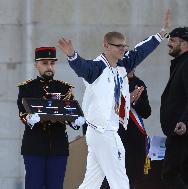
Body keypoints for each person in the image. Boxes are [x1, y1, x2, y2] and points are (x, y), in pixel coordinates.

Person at [57, 10, 170, 189]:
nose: (123, 50)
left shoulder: (122, 66)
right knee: (120, 181)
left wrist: (161, 34)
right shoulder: (97, 68)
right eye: (119, 46)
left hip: (103, 131)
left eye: (124, 46)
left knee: (91, 182)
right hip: (104, 132)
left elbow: (140, 51)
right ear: (106, 46)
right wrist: (72, 56)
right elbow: (82, 67)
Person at [17, 47, 85, 189]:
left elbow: (70, 113)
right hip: (34, 146)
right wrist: (30, 119)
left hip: (58, 146)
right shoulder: (27, 88)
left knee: (56, 186)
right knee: (34, 185)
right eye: (45, 63)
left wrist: (77, 121)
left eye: (52, 63)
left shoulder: (64, 88)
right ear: (36, 65)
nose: (49, 67)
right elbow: (22, 113)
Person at [101, 69, 152, 189]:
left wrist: (135, 102)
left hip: (133, 139)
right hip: (114, 136)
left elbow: (146, 112)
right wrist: (127, 100)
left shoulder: (139, 83)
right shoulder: (111, 81)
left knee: (130, 179)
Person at [160, 26, 188, 189]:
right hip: (179, 130)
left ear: (184, 43)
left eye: (172, 40)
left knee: (170, 175)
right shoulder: (180, 64)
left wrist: (184, 121)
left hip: (181, 132)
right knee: (182, 174)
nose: (169, 44)